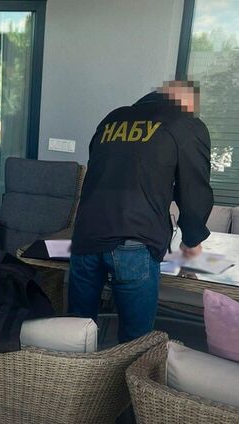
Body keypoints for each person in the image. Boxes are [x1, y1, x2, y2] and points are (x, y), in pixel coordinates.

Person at [69, 80, 213, 343]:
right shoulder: (185, 124)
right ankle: (127, 371)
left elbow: (98, 170)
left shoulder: (113, 118)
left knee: (76, 331)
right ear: (187, 102)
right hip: (135, 241)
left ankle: (74, 370)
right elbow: (194, 189)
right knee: (135, 340)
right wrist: (192, 241)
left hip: (86, 236)